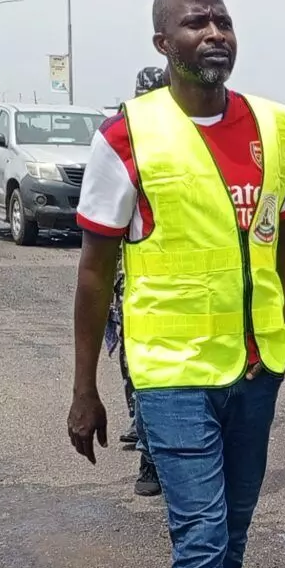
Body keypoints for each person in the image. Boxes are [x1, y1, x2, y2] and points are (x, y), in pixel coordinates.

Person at [68, 0, 285, 568]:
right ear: (162, 42)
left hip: (255, 367)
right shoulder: (126, 136)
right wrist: (85, 386)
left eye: (223, 18)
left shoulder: (275, 128)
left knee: (232, 532)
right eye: (193, 21)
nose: (214, 31)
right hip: (171, 373)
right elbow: (97, 269)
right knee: (201, 537)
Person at [104, 65, 169, 497]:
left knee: (155, 373)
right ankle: (145, 437)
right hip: (133, 283)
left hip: (174, 291)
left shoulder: (183, 142)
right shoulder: (124, 141)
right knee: (136, 368)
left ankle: (153, 458)